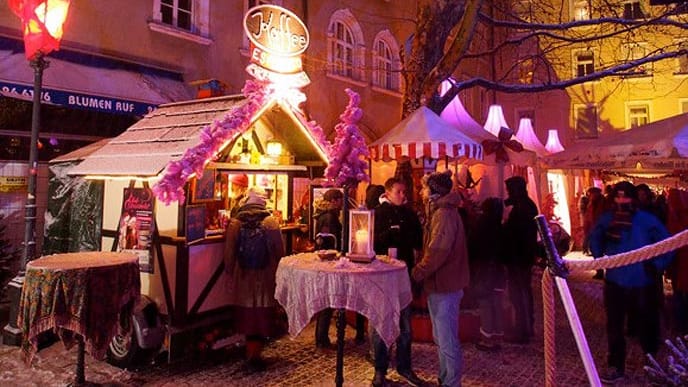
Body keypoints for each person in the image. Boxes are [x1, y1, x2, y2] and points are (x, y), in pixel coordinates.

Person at [589, 181, 674, 384]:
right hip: (615, 281)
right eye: (617, 197)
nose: (621, 201)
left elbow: (669, 244)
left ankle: (652, 365)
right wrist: (599, 255)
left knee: (648, 325)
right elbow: (595, 239)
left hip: (642, 281)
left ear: (633, 198)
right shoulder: (608, 219)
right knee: (615, 326)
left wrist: (656, 265)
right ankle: (616, 366)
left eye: (625, 196)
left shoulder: (646, 220)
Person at [412, 170, 469, 387]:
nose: (421, 191)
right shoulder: (440, 211)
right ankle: (446, 378)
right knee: (441, 337)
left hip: (446, 284)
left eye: (425, 188)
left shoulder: (444, 215)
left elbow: (438, 251)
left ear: (434, 191)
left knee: (446, 339)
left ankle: (451, 382)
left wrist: (419, 271)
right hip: (440, 284)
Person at [223, 188, 284, 372]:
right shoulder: (271, 222)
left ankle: (251, 353)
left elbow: (229, 253)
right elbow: (279, 251)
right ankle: (255, 355)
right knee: (262, 314)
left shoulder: (235, 223)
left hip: (244, 276)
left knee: (248, 315)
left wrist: (229, 273)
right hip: (265, 276)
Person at [371, 178, 423, 387]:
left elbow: (418, 241)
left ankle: (405, 366)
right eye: (399, 191)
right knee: (380, 323)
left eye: (405, 192)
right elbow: (370, 242)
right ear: (388, 192)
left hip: (404, 273)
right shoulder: (378, 214)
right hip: (382, 275)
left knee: (405, 324)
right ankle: (380, 369)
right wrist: (389, 234)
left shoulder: (409, 214)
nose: (403, 195)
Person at [502, 175, 539, 344]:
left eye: (509, 190)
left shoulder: (523, 207)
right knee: (522, 292)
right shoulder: (524, 204)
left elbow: (515, 232)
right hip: (522, 255)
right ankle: (526, 326)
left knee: (519, 293)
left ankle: (522, 330)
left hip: (519, 257)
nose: (508, 193)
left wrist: (504, 226)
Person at [468, 197, 506, 352]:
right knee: (496, 303)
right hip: (498, 271)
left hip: (484, 270)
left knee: (485, 303)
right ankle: (498, 337)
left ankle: (487, 338)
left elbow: (473, 246)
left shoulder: (481, 225)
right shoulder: (501, 226)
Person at [313, 188, 344, 349]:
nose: (342, 203)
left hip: (325, 261)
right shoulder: (329, 217)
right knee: (327, 300)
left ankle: (321, 336)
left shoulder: (324, 215)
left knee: (325, 300)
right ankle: (321, 338)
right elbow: (328, 239)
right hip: (328, 262)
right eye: (340, 200)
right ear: (334, 200)